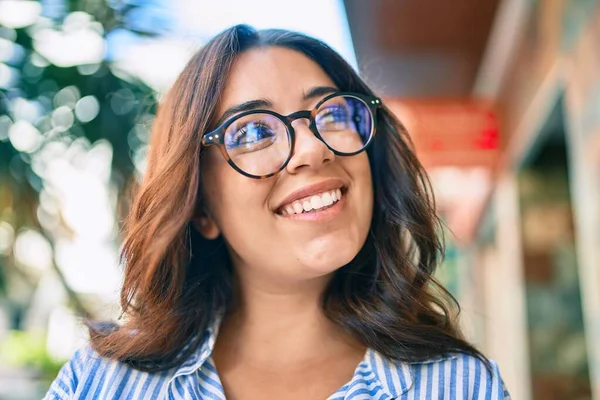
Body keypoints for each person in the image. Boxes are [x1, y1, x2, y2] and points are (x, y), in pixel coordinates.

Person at [44, 25, 510, 400]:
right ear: (201, 207)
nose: (311, 149)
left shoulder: (460, 386)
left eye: (332, 114)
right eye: (252, 133)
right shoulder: (102, 384)